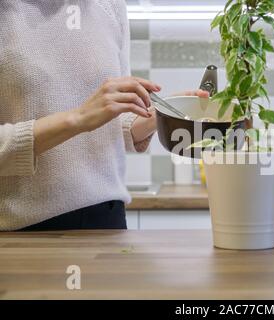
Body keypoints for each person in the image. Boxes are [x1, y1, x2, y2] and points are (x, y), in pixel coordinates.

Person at [0, 0, 209, 231]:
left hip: (107, 219)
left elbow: (109, 120)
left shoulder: (110, 6)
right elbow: (87, 116)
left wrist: (160, 115)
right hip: (24, 230)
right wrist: (78, 118)